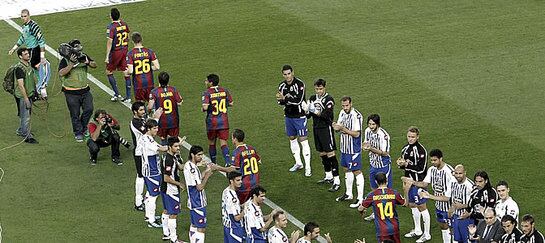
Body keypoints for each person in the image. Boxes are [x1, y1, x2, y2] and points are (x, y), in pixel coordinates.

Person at [403, 149, 455, 243]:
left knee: (453, 229)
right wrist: (412, 182)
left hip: (450, 206)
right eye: (432, 160)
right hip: (439, 205)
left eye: (435, 160)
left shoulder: (449, 172)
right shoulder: (432, 170)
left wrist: (429, 196)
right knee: (443, 227)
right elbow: (424, 184)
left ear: (441, 159)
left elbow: (449, 196)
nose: (433, 162)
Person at [276, 64, 312, 176]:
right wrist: (282, 100)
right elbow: (279, 102)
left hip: (299, 116)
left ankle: (308, 167)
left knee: (303, 140)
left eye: (289, 74)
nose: (287, 76)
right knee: (292, 138)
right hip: (288, 116)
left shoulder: (300, 84)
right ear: (283, 74)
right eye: (285, 74)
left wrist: (285, 98)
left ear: (293, 73)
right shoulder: (281, 85)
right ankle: (298, 163)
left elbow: (298, 100)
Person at [58, 39, 96, 142]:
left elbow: (94, 65)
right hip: (71, 92)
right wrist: (71, 64)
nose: (79, 47)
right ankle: (78, 132)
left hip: (85, 90)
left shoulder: (83, 56)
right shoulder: (64, 60)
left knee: (89, 109)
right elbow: (61, 73)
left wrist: (87, 62)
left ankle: (83, 128)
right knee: (75, 114)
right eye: (76, 46)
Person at [396, 126, 431, 241]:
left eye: (413, 137)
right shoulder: (405, 149)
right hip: (409, 182)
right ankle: (417, 230)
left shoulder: (421, 151)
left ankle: (427, 234)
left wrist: (406, 165)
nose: (410, 139)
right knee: (412, 205)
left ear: (417, 137)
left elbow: (422, 169)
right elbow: (404, 166)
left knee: (422, 206)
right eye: (409, 136)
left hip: (419, 183)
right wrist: (400, 164)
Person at [306, 79, 340, 191]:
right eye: (317, 89)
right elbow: (308, 116)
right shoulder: (312, 98)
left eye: (320, 89)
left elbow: (327, 115)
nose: (319, 91)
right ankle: (328, 176)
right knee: (322, 153)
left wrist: (315, 111)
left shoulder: (329, 99)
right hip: (316, 128)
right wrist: (306, 110)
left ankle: (337, 181)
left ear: (324, 88)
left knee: (330, 153)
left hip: (326, 128)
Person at [8, 9, 49, 98]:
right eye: (22, 16)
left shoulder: (34, 26)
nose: (23, 18)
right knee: (34, 71)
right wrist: (14, 48)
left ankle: (43, 91)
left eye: (25, 16)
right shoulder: (24, 26)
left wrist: (42, 56)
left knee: (37, 70)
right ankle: (40, 91)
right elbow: (23, 38)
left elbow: (41, 41)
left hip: (35, 50)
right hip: (30, 51)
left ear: (29, 15)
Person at [130, 102, 162, 211]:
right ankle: (138, 202)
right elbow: (146, 132)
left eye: (143, 110)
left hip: (145, 151)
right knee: (140, 175)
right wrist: (156, 119)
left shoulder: (141, 120)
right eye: (141, 110)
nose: (143, 112)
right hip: (140, 152)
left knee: (144, 175)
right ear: (135, 111)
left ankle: (145, 199)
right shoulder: (135, 122)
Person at [333, 96, 364, 209]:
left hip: (353, 149)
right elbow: (338, 127)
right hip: (344, 148)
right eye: (343, 106)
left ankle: (360, 199)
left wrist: (342, 128)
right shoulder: (342, 112)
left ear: (351, 104)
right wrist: (336, 126)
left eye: (347, 105)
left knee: (356, 171)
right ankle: (349, 194)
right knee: (346, 169)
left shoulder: (357, 116)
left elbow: (357, 134)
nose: (345, 108)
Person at [358, 172, 407, 243]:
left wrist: (362, 211)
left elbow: (360, 208)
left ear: (376, 182)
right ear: (387, 180)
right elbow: (405, 203)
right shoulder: (394, 193)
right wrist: (405, 190)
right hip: (394, 228)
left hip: (382, 229)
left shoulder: (372, 195)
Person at [137, 119, 168, 228]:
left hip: (151, 170)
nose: (157, 130)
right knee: (153, 196)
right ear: (149, 129)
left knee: (150, 194)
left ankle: (148, 216)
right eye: (154, 128)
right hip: (152, 172)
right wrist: (173, 146)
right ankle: (151, 220)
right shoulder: (147, 140)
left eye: (157, 127)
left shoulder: (148, 138)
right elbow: (161, 148)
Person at [362, 113, 392, 221]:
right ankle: (376, 213)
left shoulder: (383, 135)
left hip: (383, 165)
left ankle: (387, 214)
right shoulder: (367, 131)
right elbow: (365, 143)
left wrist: (370, 148)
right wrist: (365, 146)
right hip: (373, 164)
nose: (371, 126)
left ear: (378, 124)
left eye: (373, 124)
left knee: (385, 191)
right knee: (374, 189)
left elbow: (385, 153)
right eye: (369, 124)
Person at [184, 145, 213, 243]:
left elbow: (196, 179)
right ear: (192, 155)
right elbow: (199, 187)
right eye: (199, 155)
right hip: (197, 202)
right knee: (201, 228)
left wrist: (205, 172)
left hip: (193, 201)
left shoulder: (189, 165)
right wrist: (208, 176)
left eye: (202, 155)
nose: (201, 157)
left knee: (194, 225)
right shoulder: (192, 168)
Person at [202, 73, 233, 165]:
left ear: (211, 83)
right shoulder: (224, 90)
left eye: (206, 80)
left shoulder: (207, 92)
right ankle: (227, 162)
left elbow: (205, 107)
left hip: (212, 122)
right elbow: (231, 103)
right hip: (223, 121)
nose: (205, 82)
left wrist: (203, 108)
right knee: (223, 142)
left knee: (212, 142)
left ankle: (213, 162)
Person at [160, 136, 186, 243]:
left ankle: (166, 233)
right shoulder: (169, 160)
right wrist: (179, 183)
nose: (178, 148)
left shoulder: (171, 156)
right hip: (171, 190)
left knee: (166, 210)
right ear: (170, 147)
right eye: (176, 146)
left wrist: (193, 163)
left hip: (164, 189)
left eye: (178, 146)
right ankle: (174, 239)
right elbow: (166, 178)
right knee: (173, 214)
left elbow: (180, 167)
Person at [148, 71, 183, 144]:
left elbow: (150, 107)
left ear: (159, 80)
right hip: (173, 119)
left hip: (162, 120)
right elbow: (179, 102)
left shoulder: (154, 92)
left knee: (163, 138)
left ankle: (165, 154)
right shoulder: (173, 90)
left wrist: (149, 113)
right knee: (174, 139)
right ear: (168, 80)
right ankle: (175, 154)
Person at [12, 47, 38, 144]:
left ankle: (21, 130)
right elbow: (21, 85)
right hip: (23, 96)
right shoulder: (20, 68)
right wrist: (26, 99)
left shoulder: (28, 65)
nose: (28, 55)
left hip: (29, 93)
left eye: (28, 53)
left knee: (26, 114)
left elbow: (31, 79)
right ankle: (26, 135)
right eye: (25, 54)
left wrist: (35, 92)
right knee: (26, 116)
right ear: (20, 56)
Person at [105, 7, 131, 102]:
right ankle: (128, 97)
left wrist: (107, 56)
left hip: (116, 52)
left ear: (111, 16)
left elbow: (109, 42)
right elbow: (127, 36)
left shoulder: (111, 27)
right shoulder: (124, 24)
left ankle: (117, 94)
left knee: (109, 71)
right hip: (124, 50)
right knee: (125, 71)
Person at [125, 32, 160, 103]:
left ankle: (144, 114)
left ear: (132, 41)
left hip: (138, 83)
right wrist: (148, 68)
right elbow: (157, 67)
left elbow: (131, 71)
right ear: (141, 40)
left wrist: (127, 72)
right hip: (149, 82)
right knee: (151, 102)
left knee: (140, 105)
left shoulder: (130, 54)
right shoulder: (149, 51)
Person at [449, 164, 475, 243]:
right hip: (456, 217)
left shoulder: (470, 186)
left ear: (465, 173)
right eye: (456, 173)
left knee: (468, 241)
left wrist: (462, 206)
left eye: (460, 173)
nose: (458, 175)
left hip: (467, 218)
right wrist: (451, 209)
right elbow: (452, 198)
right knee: (457, 240)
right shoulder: (453, 183)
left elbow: (476, 203)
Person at [222, 171, 245, 243]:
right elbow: (237, 218)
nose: (240, 182)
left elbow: (231, 208)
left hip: (227, 226)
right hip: (234, 228)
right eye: (238, 180)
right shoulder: (232, 197)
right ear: (231, 181)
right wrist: (247, 209)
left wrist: (242, 206)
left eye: (241, 179)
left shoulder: (226, 191)